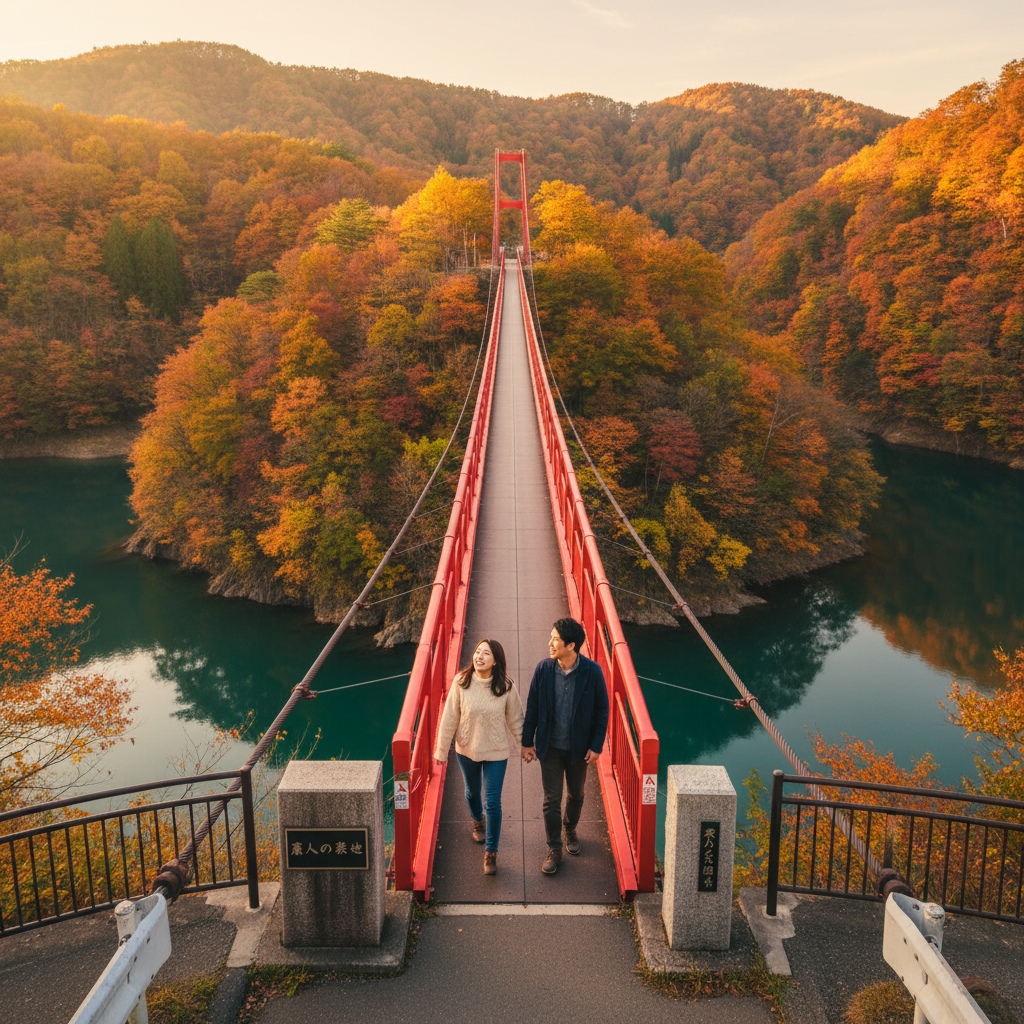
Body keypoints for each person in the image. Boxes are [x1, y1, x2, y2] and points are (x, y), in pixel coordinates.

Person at [521, 617, 609, 875]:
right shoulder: (543, 669)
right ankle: (554, 848)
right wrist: (527, 743)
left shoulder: (592, 672)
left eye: (555, 639)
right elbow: (533, 708)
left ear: (571, 645)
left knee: (576, 795)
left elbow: (602, 710)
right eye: (551, 637)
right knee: (551, 800)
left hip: (579, 749)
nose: (550, 643)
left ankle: (569, 828)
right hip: (550, 746)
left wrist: (596, 745)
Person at [433, 638, 524, 875]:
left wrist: (525, 746)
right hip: (467, 749)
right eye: (477, 652)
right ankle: (477, 818)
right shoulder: (461, 682)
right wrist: (441, 750)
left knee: (493, 801)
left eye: (485, 654)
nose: (479, 657)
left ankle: (491, 852)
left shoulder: (505, 685)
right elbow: (449, 718)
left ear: (496, 661)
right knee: (471, 792)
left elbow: (516, 719)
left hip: (496, 752)